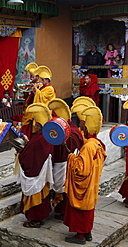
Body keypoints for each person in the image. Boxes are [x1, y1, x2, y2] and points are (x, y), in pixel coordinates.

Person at [63, 106, 107, 244]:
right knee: (89, 209)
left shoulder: (88, 147)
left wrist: (71, 157)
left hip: (84, 186)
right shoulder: (97, 144)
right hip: (92, 184)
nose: (82, 129)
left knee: (80, 209)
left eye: (83, 126)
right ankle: (87, 232)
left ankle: (80, 236)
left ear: (87, 129)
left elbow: (81, 170)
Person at [48, 98, 84, 221]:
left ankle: (62, 210)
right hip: (70, 162)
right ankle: (62, 209)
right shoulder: (74, 129)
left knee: (62, 186)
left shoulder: (68, 133)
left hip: (63, 162)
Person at [18, 103, 53, 228]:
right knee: (43, 195)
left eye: (36, 125)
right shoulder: (45, 137)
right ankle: (40, 217)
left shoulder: (38, 139)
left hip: (35, 173)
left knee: (34, 195)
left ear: (40, 126)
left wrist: (20, 152)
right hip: (43, 174)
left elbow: (28, 157)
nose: (34, 127)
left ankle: (35, 219)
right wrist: (28, 144)